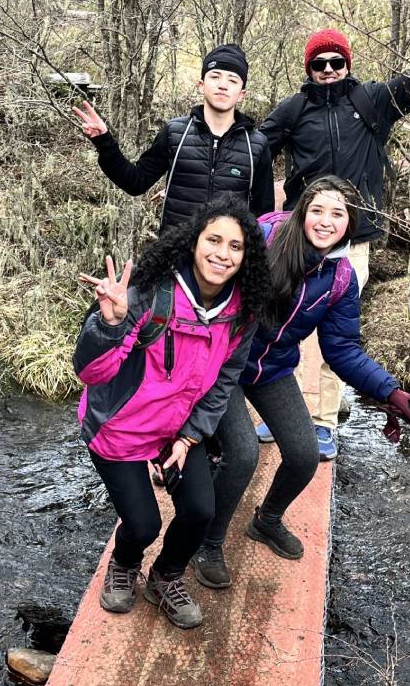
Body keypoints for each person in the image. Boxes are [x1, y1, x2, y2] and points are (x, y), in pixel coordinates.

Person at [258, 0, 410, 458]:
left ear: (348, 64)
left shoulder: (371, 101)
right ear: (308, 69)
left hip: (351, 241)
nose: (329, 70)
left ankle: (322, 421)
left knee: (334, 334)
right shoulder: (293, 110)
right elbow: (250, 151)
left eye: (336, 61)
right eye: (319, 63)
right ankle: (279, 411)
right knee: (281, 327)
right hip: (295, 239)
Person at [189, 176, 410, 589]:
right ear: (303, 209)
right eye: (318, 210)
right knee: (244, 453)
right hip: (225, 367)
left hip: (274, 370)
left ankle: (266, 520)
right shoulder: (264, 239)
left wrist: (389, 390)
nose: (325, 221)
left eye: (337, 214)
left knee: (305, 455)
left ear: (350, 223)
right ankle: (209, 542)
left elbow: (342, 349)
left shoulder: (339, 279)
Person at [73, 197, 270, 628]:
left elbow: (224, 381)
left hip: (174, 430)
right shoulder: (149, 292)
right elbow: (90, 371)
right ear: (194, 242)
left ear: (246, 256)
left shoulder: (242, 313)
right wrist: (110, 325)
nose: (222, 253)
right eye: (213, 240)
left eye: (235, 246)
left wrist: (189, 437)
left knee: (200, 510)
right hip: (118, 426)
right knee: (142, 525)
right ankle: (125, 564)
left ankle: (165, 576)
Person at [72, 44, 274, 232]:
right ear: (201, 85)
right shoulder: (175, 132)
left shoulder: (255, 145)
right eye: (215, 76)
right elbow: (136, 181)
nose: (223, 85)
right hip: (175, 254)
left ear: (242, 94)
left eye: (232, 80)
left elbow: (264, 215)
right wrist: (104, 142)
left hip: (225, 260)